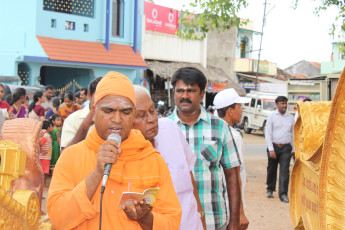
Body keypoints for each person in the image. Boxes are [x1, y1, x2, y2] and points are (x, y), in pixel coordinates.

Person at [47, 71, 182, 229]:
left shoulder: (152, 159)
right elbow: (58, 219)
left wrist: (146, 219)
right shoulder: (71, 156)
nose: (117, 120)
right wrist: (97, 173)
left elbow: (172, 222)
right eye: (108, 111)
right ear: (94, 111)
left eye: (125, 112)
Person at [168, 67, 241, 230]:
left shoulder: (220, 127)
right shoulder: (163, 129)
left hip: (213, 220)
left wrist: (235, 220)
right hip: (174, 221)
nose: (184, 96)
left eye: (191, 91)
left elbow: (232, 175)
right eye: (180, 90)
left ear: (202, 94)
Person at [133, 85, 206, 230]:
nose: (152, 119)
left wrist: (201, 215)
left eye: (152, 111)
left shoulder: (169, 128)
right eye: (142, 115)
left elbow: (188, 174)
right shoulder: (123, 154)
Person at [213, 88, 251, 230]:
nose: (242, 111)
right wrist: (240, 213)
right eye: (239, 107)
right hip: (230, 206)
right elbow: (235, 176)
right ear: (230, 111)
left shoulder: (213, 131)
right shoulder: (233, 136)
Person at [265, 96, 294, 203]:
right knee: (272, 168)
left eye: (285, 103)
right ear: (277, 104)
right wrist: (271, 149)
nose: (284, 106)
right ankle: (270, 189)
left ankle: (283, 194)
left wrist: (293, 149)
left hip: (286, 147)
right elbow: (268, 133)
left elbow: (293, 135)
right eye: (282, 103)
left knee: (285, 171)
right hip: (273, 147)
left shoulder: (290, 118)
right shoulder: (272, 117)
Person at [60, 77, 102, 150]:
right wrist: (85, 126)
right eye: (100, 96)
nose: (105, 101)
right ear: (89, 95)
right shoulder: (73, 120)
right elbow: (64, 155)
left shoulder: (117, 120)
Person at [39, 120, 53, 185]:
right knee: (44, 172)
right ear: (48, 128)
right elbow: (40, 143)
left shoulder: (46, 135)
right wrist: (41, 150)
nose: (52, 128)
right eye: (50, 126)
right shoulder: (46, 135)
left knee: (44, 171)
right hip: (44, 157)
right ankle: (43, 185)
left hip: (45, 156)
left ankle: (43, 184)